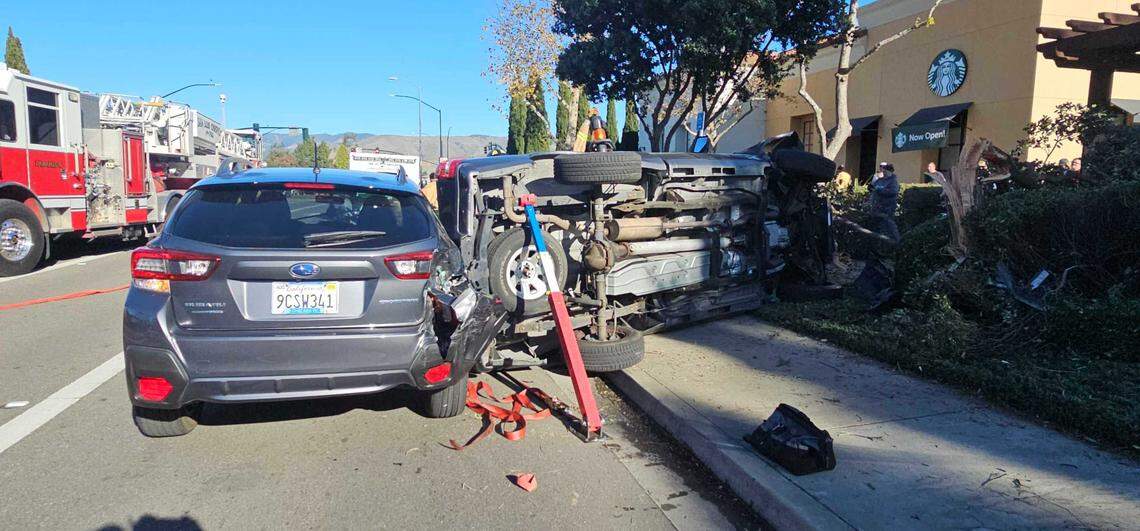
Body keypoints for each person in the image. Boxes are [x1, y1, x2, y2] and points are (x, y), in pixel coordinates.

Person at [869, 162, 901, 243]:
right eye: (884, 171)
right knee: (878, 226)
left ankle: (897, 241)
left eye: (886, 171)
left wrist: (880, 190)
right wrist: (871, 188)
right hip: (877, 206)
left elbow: (893, 191)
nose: (884, 172)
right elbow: (873, 187)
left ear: (890, 171)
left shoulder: (893, 181)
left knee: (888, 223)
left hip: (888, 207)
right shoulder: (880, 180)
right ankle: (880, 242)